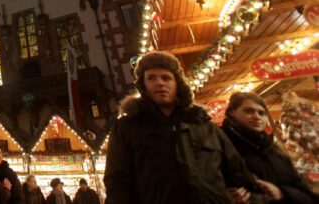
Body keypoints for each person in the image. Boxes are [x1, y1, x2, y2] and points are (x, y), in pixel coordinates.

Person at [103, 51, 261, 204]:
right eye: (151, 78)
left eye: (166, 78)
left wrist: (245, 196)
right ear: (143, 85)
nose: (160, 83)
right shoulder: (127, 128)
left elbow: (239, 172)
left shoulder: (204, 125)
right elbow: (117, 183)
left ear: (177, 83)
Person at [222, 92, 319, 204]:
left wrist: (282, 193)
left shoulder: (274, 150)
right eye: (248, 111)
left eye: (261, 113)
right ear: (232, 112)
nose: (257, 117)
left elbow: (306, 194)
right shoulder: (223, 148)